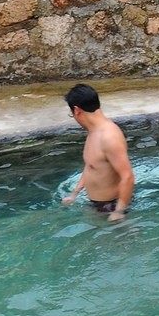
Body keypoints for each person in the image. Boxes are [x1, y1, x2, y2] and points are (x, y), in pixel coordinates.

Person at [61, 83, 135, 223]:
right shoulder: (94, 131)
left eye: (72, 114)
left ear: (77, 110)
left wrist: (119, 211)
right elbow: (92, 165)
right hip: (97, 205)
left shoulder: (109, 136)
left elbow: (128, 176)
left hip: (111, 207)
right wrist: (75, 193)